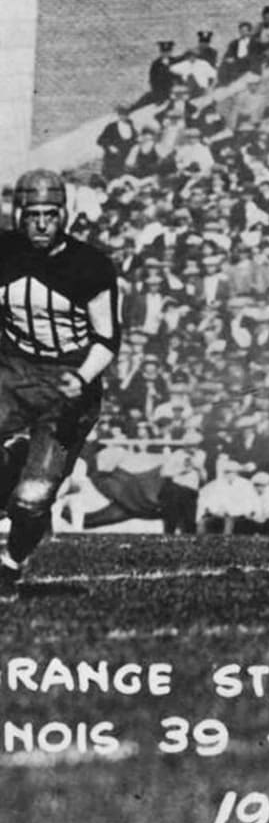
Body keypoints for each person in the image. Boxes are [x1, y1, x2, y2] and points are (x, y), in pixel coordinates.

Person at [0, 170, 121, 596]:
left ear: (64, 214)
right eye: (32, 214)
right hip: (13, 372)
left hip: (69, 383)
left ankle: (10, 563)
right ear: (18, 215)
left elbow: (107, 339)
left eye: (50, 214)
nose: (41, 223)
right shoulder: (4, 252)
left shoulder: (88, 266)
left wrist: (82, 376)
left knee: (33, 498)